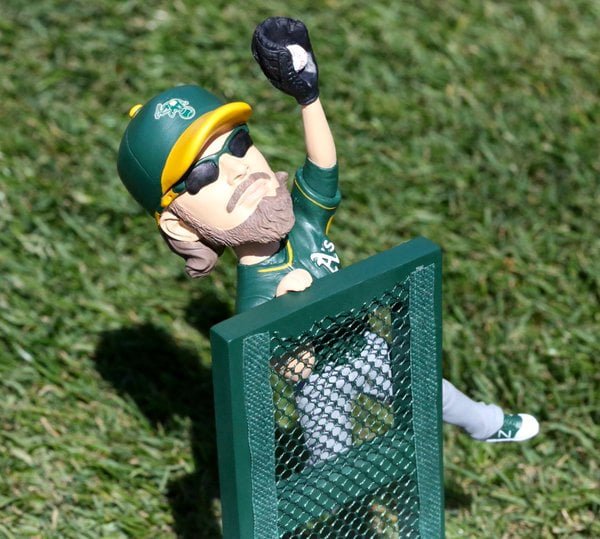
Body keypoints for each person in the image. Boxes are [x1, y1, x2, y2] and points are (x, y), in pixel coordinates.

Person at [117, 17, 539, 463]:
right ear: (180, 226)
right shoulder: (256, 294)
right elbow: (291, 368)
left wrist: (308, 98)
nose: (239, 170)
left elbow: (322, 165)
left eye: (238, 145)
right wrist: (291, 313)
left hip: (367, 348)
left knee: (434, 391)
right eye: (204, 174)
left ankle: (489, 424)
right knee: (332, 465)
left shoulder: (305, 221)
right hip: (321, 389)